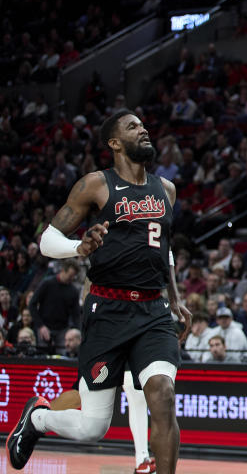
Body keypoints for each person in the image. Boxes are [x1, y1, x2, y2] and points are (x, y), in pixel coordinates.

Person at [7, 110, 189, 473]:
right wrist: (79, 248)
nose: (144, 129)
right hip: (107, 310)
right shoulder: (96, 185)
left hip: (153, 312)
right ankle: (38, 418)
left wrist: (176, 296)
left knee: (162, 395)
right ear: (115, 143)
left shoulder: (166, 189)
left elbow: (163, 247)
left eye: (144, 124)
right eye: (133, 126)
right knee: (94, 427)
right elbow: (46, 239)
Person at [50, 369, 155, 473]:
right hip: (102, 353)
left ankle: (142, 460)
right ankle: (40, 415)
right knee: (81, 395)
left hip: (130, 355)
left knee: (134, 388)